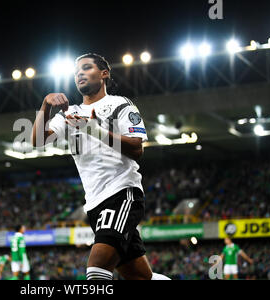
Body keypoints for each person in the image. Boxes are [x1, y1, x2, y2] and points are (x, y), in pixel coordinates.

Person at [31, 53, 170, 280]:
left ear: (104, 74)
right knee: (142, 278)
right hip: (94, 204)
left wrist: (93, 129)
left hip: (122, 193)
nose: (80, 74)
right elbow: (36, 141)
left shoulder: (120, 104)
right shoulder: (69, 113)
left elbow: (137, 149)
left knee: (96, 271)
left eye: (86, 68)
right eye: (77, 72)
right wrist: (45, 105)